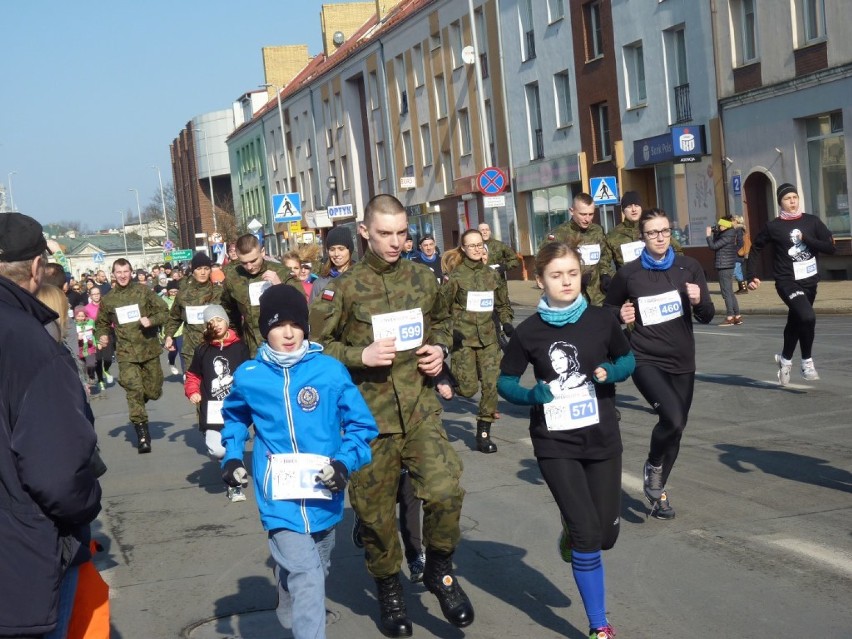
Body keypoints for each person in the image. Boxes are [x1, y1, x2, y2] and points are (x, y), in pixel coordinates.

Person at [315, 194, 473, 637]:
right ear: (365, 232)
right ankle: (388, 588)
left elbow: (444, 322)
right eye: (385, 233)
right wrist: (358, 354)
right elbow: (315, 350)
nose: (395, 242)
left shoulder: (424, 279)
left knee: (445, 491)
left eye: (402, 233)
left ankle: (439, 568)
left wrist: (439, 350)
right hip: (367, 421)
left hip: (420, 410)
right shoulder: (340, 288)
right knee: (375, 517)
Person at [220, 284, 377, 638]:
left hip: (324, 492)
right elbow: (233, 419)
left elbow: (361, 426)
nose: (288, 333)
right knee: (307, 573)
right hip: (278, 496)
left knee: (315, 569)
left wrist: (343, 464)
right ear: (265, 330)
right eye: (278, 325)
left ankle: (288, 590)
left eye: (295, 324)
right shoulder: (249, 376)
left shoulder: (330, 372)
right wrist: (231, 458)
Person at [497, 241, 634, 639]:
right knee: (589, 534)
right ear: (539, 280)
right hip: (555, 445)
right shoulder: (529, 332)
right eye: (556, 275)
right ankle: (599, 626)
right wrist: (530, 395)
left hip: (603, 438)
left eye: (572, 273)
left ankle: (571, 534)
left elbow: (629, 359)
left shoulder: (602, 320)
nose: (566, 281)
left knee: (605, 534)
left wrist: (612, 370)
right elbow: (506, 382)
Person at [0, 212, 102, 638]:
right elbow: (57, 470)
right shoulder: (31, 343)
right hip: (19, 554)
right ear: (38, 267)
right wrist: (85, 504)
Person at [604, 208, 715, 520]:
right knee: (673, 418)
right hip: (644, 357)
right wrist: (619, 315)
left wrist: (698, 300)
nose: (659, 238)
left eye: (664, 231)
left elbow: (707, 314)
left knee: (676, 429)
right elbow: (607, 309)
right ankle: (654, 466)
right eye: (652, 233)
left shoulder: (689, 267)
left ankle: (658, 489)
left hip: (682, 359)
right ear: (643, 237)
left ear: (671, 232)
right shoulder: (629, 273)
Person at [747, 182, 835, 384]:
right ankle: (807, 363)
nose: (792, 201)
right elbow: (756, 248)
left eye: (794, 197)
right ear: (780, 203)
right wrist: (751, 275)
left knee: (797, 320)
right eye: (787, 198)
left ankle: (785, 361)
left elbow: (830, 248)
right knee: (807, 316)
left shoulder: (812, 222)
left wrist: (808, 239)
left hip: (810, 281)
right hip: (787, 281)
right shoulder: (774, 226)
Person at [441, 228, 513, 453]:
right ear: (463, 248)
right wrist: (448, 333)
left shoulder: (492, 275)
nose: (476, 249)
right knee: (468, 389)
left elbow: (502, 304)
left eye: (479, 245)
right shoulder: (455, 277)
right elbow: (441, 309)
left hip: (489, 338)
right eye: (471, 246)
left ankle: (483, 434)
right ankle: (445, 376)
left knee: (491, 385)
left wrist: (507, 322)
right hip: (463, 339)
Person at [95, 258, 169, 454]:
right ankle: (143, 435)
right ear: (113, 274)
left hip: (149, 349)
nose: (122, 275)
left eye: (125, 271)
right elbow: (101, 323)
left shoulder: (143, 292)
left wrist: (151, 320)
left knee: (153, 391)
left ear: (131, 272)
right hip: (126, 353)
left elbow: (164, 311)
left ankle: (141, 401)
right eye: (118, 272)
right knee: (133, 391)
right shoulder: (108, 299)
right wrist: (102, 335)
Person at [184, 304, 250, 501]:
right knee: (216, 449)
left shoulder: (240, 348)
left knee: (233, 444)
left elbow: (248, 375)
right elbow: (193, 375)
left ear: (226, 322)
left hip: (235, 409)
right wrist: (192, 391)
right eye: (211, 322)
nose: (216, 325)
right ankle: (230, 462)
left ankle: (234, 485)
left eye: (219, 320)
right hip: (212, 409)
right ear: (206, 327)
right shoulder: (203, 350)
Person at [220, 234, 302, 357]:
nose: (249, 267)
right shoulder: (233, 277)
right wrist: (237, 338)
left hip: (283, 348)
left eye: (253, 261)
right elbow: (228, 310)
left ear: (262, 252)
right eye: (244, 262)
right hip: (252, 350)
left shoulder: (282, 272)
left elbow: (301, 306)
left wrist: (279, 287)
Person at [549, 193, 615, 306]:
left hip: (597, 296)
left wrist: (605, 274)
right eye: (583, 214)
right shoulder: (559, 234)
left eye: (591, 214)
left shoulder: (597, 231)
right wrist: (573, 277)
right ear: (571, 211)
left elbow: (604, 255)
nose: (587, 219)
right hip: (573, 298)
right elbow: (545, 264)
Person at [164, 252, 222, 376]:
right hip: (191, 350)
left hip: (215, 347)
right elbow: (174, 317)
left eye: (206, 269)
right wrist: (169, 336)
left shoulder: (218, 292)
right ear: (193, 270)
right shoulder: (183, 294)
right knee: (194, 389)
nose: (203, 272)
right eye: (199, 268)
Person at [606, 191, 684, 271]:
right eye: (629, 206)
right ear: (623, 210)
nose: (633, 209)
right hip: (628, 280)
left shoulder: (653, 227)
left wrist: (676, 271)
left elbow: (677, 250)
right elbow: (604, 262)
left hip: (656, 276)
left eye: (636, 205)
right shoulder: (613, 235)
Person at [705, 217, 743, 326]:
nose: (719, 226)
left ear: (725, 225)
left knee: (726, 293)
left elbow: (713, 246)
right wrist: (716, 232)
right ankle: (737, 316)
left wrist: (708, 236)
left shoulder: (727, 235)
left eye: (720, 225)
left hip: (724, 266)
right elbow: (718, 242)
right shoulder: (728, 233)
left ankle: (730, 317)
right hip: (727, 265)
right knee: (730, 292)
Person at [478, 222, 519, 302]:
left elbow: (515, 260)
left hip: (498, 286)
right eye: (482, 230)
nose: (485, 232)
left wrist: (505, 266)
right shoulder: (474, 246)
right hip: (480, 285)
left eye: (487, 230)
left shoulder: (500, 245)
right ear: (478, 232)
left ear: (490, 232)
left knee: (503, 310)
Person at [86, 285, 116, 387]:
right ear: (90, 296)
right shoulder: (87, 308)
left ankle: (106, 369)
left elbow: (113, 317)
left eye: (98, 294)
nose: (96, 296)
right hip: (94, 334)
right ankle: (100, 380)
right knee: (98, 359)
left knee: (108, 358)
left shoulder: (106, 305)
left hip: (108, 332)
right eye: (93, 294)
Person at [75, 305, 99, 389]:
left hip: (90, 347)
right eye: (79, 316)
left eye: (83, 316)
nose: (81, 318)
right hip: (79, 349)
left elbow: (96, 333)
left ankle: (91, 375)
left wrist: (98, 342)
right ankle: (86, 385)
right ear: (75, 316)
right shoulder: (73, 325)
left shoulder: (91, 322)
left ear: (86, 315)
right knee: (82, 368)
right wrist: (77, 338)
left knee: (91, 364)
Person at [732, 215, 750, 295]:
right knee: (737, 270)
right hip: (737, 254)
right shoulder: (738, 230)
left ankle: (743, 288)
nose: (731, 221)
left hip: (737, 254)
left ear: (737, 221)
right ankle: (742, 288)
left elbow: (740, 243)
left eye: (733, 220)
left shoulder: (738, 230)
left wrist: (734, 251)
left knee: (736, 271)